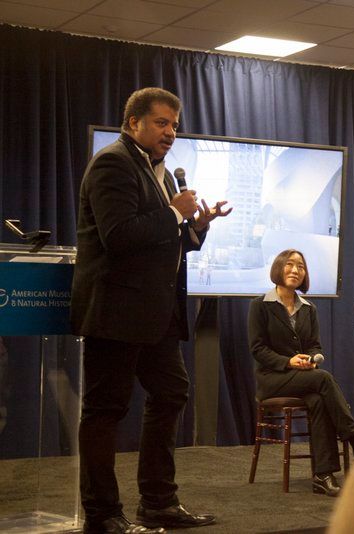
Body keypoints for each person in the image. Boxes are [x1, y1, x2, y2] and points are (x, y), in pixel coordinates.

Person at [71, 87, 229, 534]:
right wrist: (175, 213)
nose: (170, 133)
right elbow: (118, 236)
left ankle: (158, 502)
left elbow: (162, 240)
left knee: (172, 392)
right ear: (133, 122)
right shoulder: (112, 163)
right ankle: (102, 515)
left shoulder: (155, 171)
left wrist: (196, 225)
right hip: (115, 312)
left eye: (174, 125)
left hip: (154, 315)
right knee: (105, 411)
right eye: (162, 123)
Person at [248, 249, 354, 497]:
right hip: (272, 379)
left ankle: (322, 475)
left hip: (301, 377)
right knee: (323, 378)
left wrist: (310, 359)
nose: (295, 270)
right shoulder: (260, 305)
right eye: (290, 265)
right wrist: (289, 361)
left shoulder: (308, 308)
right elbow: (258, 349)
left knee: (318, 400)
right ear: (278, 268)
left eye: (300, 267)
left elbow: (314, 345)